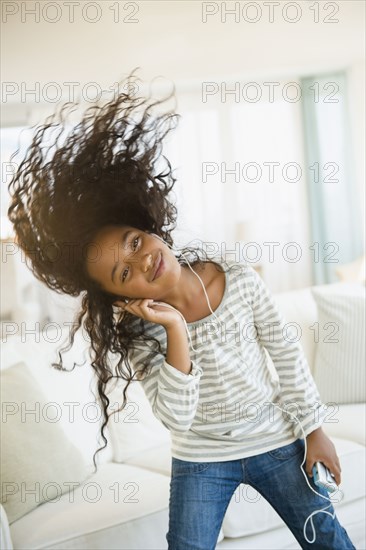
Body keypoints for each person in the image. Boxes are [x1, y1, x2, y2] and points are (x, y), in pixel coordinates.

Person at [7, 72, 355, 550]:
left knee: (329, 539)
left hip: (276, 441)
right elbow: (178, 418)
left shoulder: (237, 279)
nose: (140, 258)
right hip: (201, 460)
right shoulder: (140, 335)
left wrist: (315, 431)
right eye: (124, 273)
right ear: (118, 297)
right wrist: (174, 328)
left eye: (134, 241)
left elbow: (287, 356)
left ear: (148, 225)